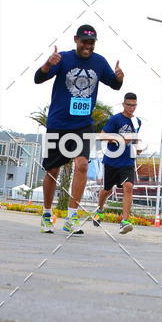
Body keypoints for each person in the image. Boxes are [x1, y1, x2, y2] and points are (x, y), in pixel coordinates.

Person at [35, 24, 123, 234]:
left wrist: (119, 77)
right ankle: (47, 214)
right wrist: (48, 64)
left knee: (82, 165)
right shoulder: (63, 59)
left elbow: (115, 84)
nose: (88, 46)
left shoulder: (99, 61)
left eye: (92, 42)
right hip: (58, 123)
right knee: (53, 171)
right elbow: (38, 78)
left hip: (83, 124)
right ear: (76, 40)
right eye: (84, 41)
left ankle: (72, 217)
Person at [94, 93, 142, 234]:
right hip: (111, 160)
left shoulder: (137, 122)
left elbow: (136, 137)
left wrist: (138, 146)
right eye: (128, 105)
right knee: (107, 190)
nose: (131, 108)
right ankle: (100, 210)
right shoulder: (115, 119)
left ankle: (125, 221)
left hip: (127, 161)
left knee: (128, 187)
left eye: (133, 105)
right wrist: (119, 139)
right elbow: (102, 135)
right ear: (123, 104)